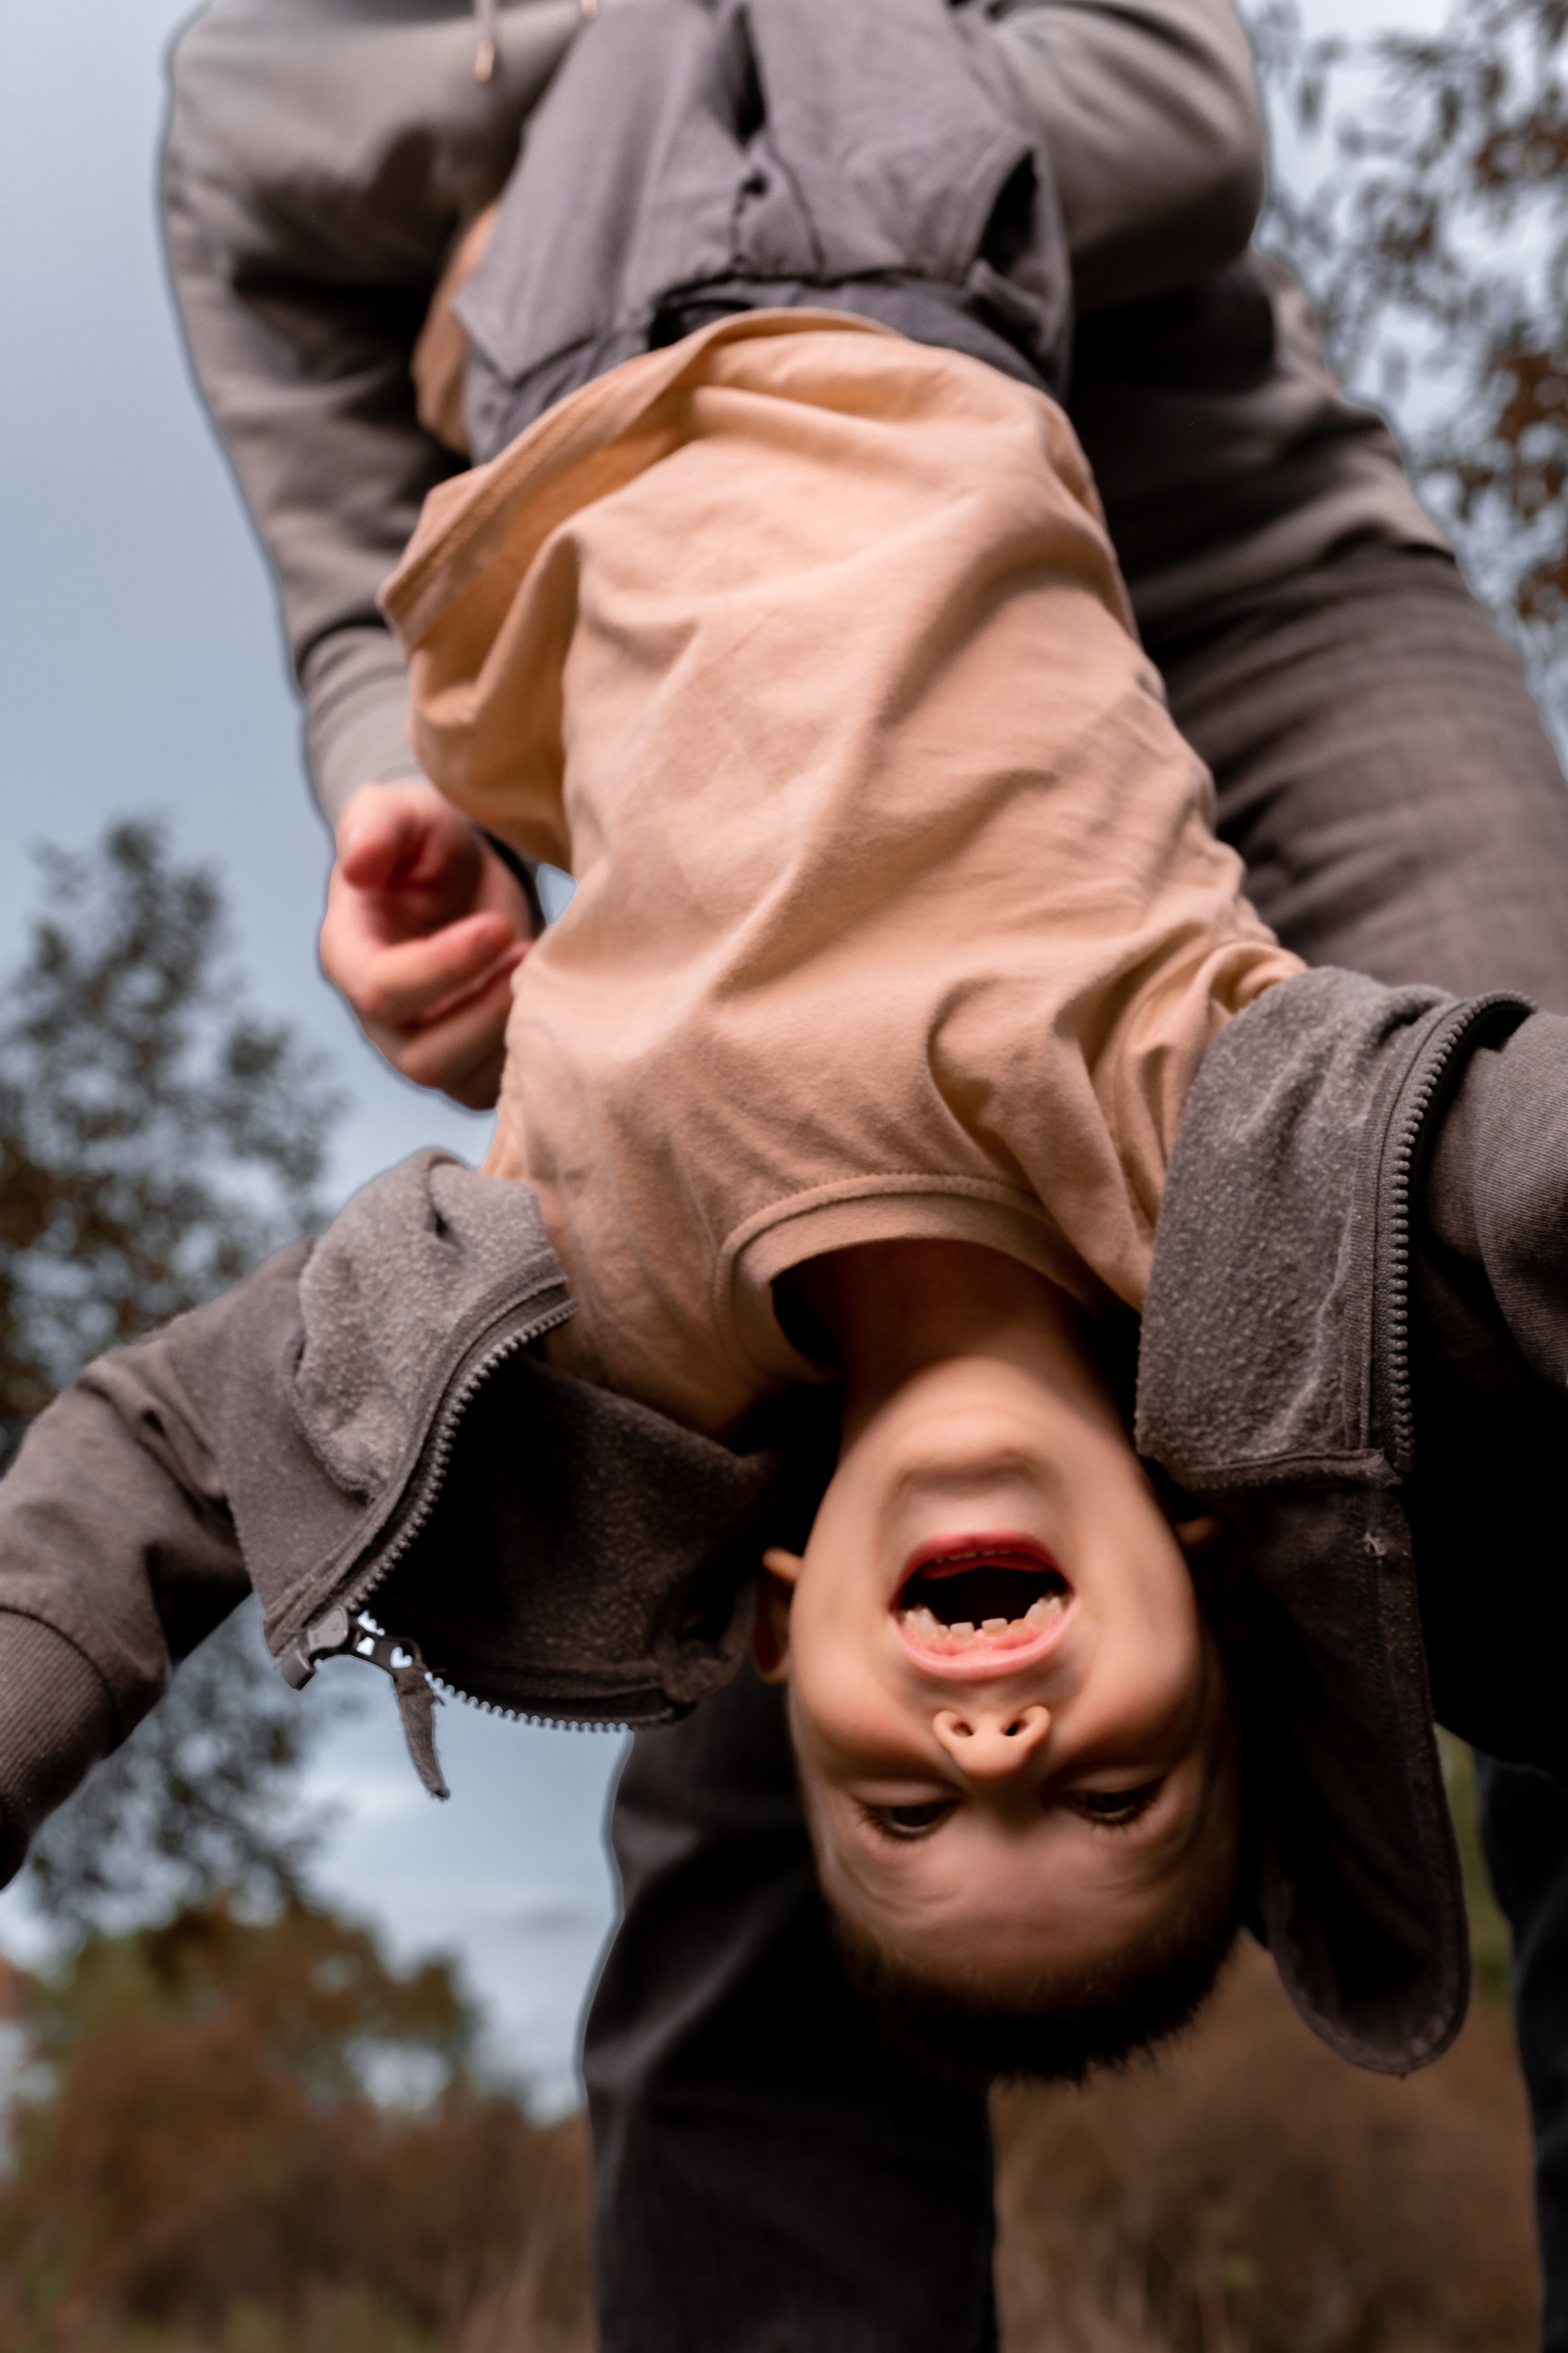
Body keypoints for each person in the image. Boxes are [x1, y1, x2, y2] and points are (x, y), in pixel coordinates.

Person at [135, 0, 1568, 2344]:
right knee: (732, 1644)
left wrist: (621, 199)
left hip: (1247, 583)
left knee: (1507, 1364)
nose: (1004, 1739)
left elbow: (1177, 127)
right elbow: (332, 520)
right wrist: (401, 787)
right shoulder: (261, 87)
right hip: (750, 692)